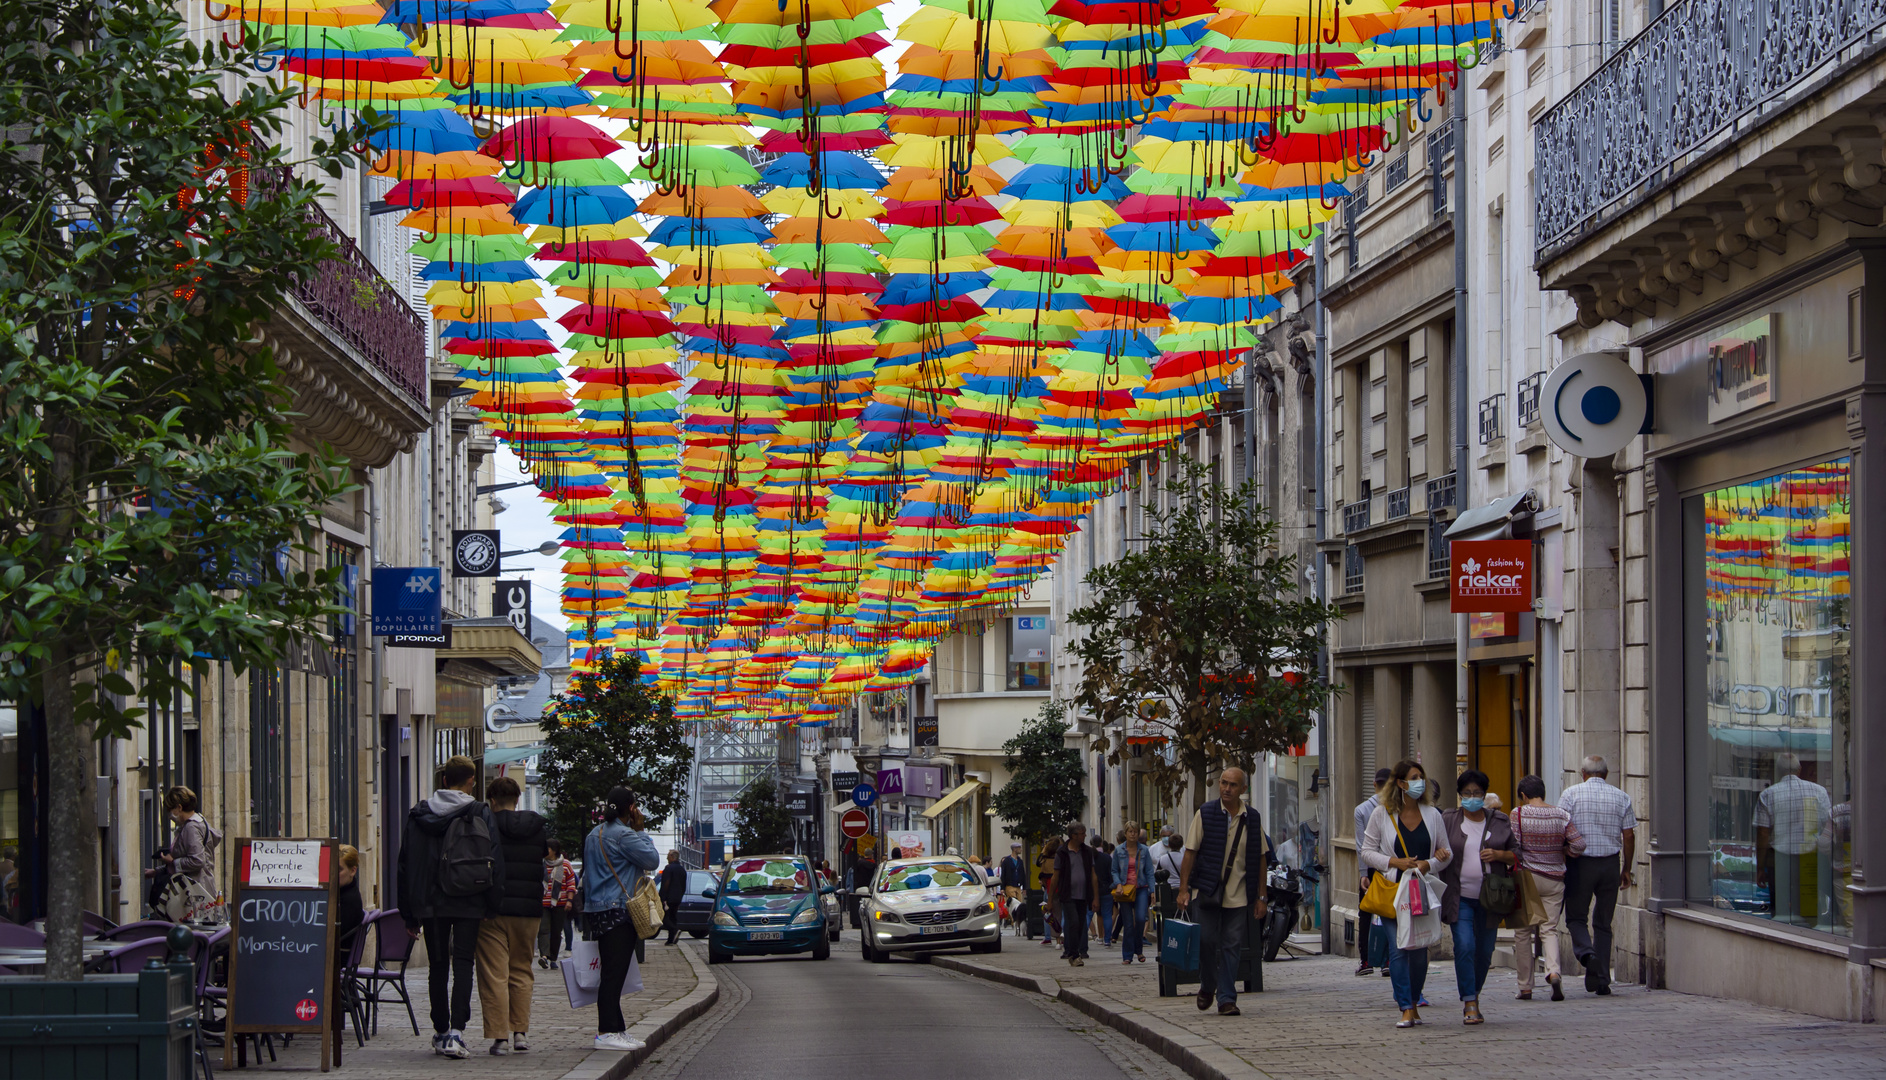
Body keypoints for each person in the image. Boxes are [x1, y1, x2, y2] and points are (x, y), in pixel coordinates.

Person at [398, 755, 504, 1060]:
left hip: (430, 902)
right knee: (463, 964)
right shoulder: (479, 811)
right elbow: (495, 859)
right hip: (469, 896)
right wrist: (492, 903)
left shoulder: (419, 814)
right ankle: (458, 1030)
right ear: (470, 782)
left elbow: (404, 864)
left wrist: (408, 912)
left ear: (444, 781)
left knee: (438, 966)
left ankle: (441, 1030)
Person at [1360, 760, 1453, 1028]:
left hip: (1420, 891)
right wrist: (1394, 862)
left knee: (1419, 950)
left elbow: (1445, 853)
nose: (1419, 782)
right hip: (1392, 890)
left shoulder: (1433, 814)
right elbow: (1366, 851)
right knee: (1400, 947)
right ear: (1400, 784)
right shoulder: (1382, 813)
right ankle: (1405, 1007)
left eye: (1421, 777)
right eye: (1414, 778)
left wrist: (1430, 863)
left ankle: (1414, 1000)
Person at [1176, 768, 1267, 1017]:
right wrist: (1184, 890)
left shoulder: (1253, 818)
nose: (1226, 788)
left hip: (1238, 895)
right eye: (1223, 783)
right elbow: (1190, 852)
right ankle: (1208, 984)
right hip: (1207, 890)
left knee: (1232, 946)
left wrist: (1261, 897)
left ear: (1243, 790)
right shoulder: (1205, 813)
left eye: (1233, 785)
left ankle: (1227, 998)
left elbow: (1261, 859)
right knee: (1205, 941)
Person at [582, 787, 660, 1052]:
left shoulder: (594, 834)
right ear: (631, 808)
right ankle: (606, 1031)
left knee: (613, 972)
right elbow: (652, 858)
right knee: (614, 974)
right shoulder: (625, 835)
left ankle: (617, 1029)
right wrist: (640, 830)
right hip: (619, 909)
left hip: (597, 909)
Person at [1440, 770, 1517, 1026]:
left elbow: (1518, 855)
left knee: (1484, 951)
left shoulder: (1500, 821)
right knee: (1465, 946)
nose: (1472, 798)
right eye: (1467, 794)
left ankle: (1475, 992)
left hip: (1490, 898)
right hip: (1458, 897)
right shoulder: (1449, 819)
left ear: (1484, 795)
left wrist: (1499, 855)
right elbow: (1436, 846)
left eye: (1477, 794)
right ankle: (1469, 1001)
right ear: (1460, 795)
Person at [477, 776, 546, 1056]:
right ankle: (520, 1033)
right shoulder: (536, 828)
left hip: (494, 908)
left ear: (492, 801)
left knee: (495, 973)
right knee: (521, 969)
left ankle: (499, 1037)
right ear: (518, 799)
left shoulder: (486, 825)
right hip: (528, 910)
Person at [1557, 755, 1635, 995]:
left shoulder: (1570, 794)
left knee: (1576, 918)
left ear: (1583, 773)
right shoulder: (1622, 797)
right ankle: (1602, 979)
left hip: (1580, 864)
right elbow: (1629, 835)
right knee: (1603, 922)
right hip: (1610, 864)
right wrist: (1626, 868)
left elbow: (1560, 830)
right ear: (1607, 774)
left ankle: (1587, 954)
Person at [1510, 774, 1584, 1001]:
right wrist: (1564, 853)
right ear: (1543, 792)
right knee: (1549, 929)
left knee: (1523, 932)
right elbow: (1579, 844)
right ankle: (1553, 971)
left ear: (1523, 795)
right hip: (1554, 878)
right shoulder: (1561, 815)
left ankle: (1525, 986)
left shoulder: (1518, 813)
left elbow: (1513, 845)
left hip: (1527, 878)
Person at [1753, 753, 1833, 928]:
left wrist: (1760, 867)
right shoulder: (1819, 791)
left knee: (1781, 911)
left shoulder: (1768, 795)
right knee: (1811, 906)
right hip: (1811, 858)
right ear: (1799, 769)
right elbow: (1828, 828)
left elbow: (1763, 834)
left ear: (1778, 771)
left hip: (1779, 859)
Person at [1353, 768, 1394, 977]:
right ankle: (1387, 960)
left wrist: (1363, 873)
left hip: (1371, 866)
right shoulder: (1395, 807)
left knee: (1366, 912)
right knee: (1389, 911)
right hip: (1391, 866)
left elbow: (1362, 845)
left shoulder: (1361, 810)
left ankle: (1367, 960)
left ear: (1374, 784)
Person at [332, 844, 366, 1060]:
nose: (334, 876)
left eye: (339, 870)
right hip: (338, 956)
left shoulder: (348, 900)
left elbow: (336, 933)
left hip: (337, 958)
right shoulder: (343, 893)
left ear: (353, 871)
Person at [163, 785, 224, 904]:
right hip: (200, 888)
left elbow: (197, 860)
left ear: (179, 807)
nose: (169, 815)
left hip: (196, 892)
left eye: (170, 810)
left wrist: (173, 862)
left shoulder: (191, 827)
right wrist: (157, 871)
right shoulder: (198, 821)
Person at [1052, 822, 1100, 966]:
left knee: (1080, 924)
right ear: (1074, 835)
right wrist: (1050, 900)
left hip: (1084, 895)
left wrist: (1095, 897)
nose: (1085, 835)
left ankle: (1075, 950)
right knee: (1073, 922)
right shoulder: (1062, 853)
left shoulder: (1087, 852)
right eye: (1082, 833)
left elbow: (1093, 875)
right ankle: (1073, 954)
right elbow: (1055, 877)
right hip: (1068, 895)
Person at [1113, 823, 1154, 964]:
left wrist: (1152, 890)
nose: (1133, 834)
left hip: (1141, 888)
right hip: (1124, 890)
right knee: (1128, 923)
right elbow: (1114, 870)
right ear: (1125, 833)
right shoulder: (1119, 850)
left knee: (1141, 918)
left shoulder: (1144, 850)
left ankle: (1139, 949)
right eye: (1130, 831)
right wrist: (1118, 884)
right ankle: (1128, 955)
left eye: (1135, 831)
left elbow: (1149, 871)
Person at [539, 839, 576, 968]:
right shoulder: (541, 864)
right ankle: (544, 956)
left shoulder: (565, 865)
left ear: (554, 851)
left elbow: (571, 884)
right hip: (543, 903)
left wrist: (569, 900)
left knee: (556, 931)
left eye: (547, 849)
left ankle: (553, 958)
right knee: (543, 929)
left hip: (560, 903)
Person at [657, 850, 689, 946]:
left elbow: (666, 884)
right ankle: (671, 939)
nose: (667, 858)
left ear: (672, 856)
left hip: (668, 898)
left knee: (664, 918)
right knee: (673, 917)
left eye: (668, 856)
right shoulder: (682, 869)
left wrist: (662, 897)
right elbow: (683, 886)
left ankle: (674, 929)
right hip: (678, 898)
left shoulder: (669, 868)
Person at [1036, 837, 1061, 947]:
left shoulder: (1044, 859)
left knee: (1049, 913)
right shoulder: (1060, 857)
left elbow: (1039, 865)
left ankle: (1054, 938)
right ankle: (1063, 935)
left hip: (1049, 888)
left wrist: (1044, 849)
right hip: (1061, 888)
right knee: (1063, 914)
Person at [998, 842, 1027, 933]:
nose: (1021, 850)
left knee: (1020, 907)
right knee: (1012, 906)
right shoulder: (1007, 861)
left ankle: (1019, 924)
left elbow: (1023, 874)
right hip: (1009, 886)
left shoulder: (1020, 861)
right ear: (1014, 849)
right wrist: (1002, 887)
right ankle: (1014, 924)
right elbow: (1003, 874)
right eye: (1019, 848)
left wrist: (1024, 887)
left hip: (1018, 886)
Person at [1092, 838, 1116, 946]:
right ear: (1101, 843)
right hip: (1106, 890)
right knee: (1107, 915)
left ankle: (1098, 937)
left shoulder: (1090, 857)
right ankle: (1107, 939)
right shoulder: (1107, 858)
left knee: (1092, 914)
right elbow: (1112, 874)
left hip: (1093, 890)